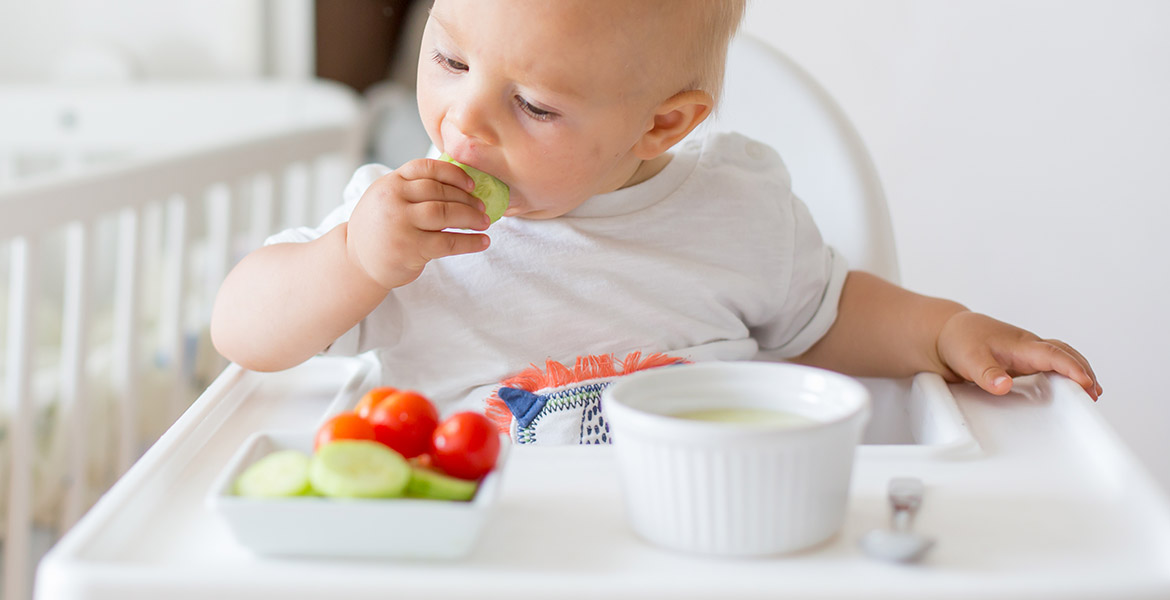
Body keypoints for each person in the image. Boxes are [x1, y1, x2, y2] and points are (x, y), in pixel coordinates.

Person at [210, 0, 1101, 436]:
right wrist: (354, 262)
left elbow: (827, 317)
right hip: (476, 545)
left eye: (533, 105)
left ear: (662, 123)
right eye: (448, 57)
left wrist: (947, 330)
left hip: (692, 542)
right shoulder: (398, 225)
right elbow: (244, 330)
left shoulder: (734, 210)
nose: (463, 119)